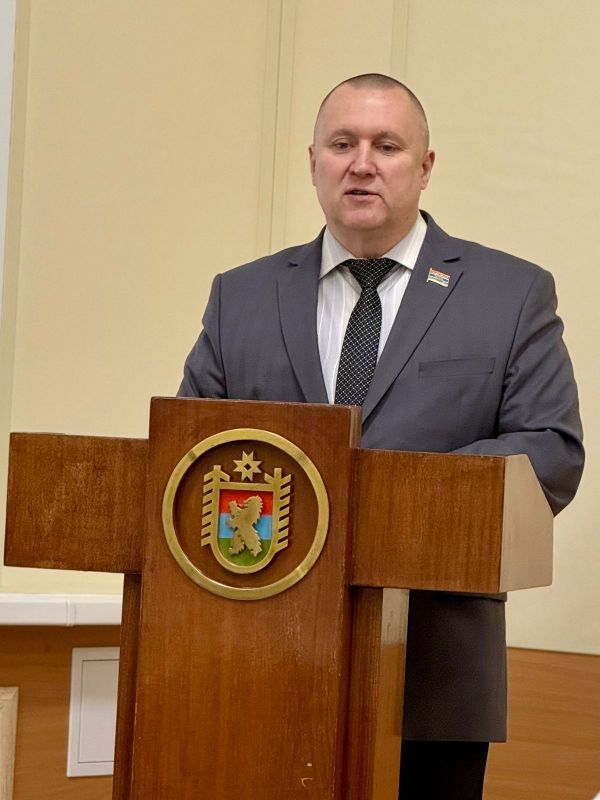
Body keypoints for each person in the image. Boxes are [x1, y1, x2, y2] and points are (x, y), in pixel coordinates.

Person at [178, 74, 584, 799]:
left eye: (386, 146)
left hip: (434, 673)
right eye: (343, 144)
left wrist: (389, 497)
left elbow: (550, 451)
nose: (362, 164)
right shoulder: (241, 296)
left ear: (425, 167)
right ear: (313, 163)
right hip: (260, 665)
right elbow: (186, 457)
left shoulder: (510, 293)